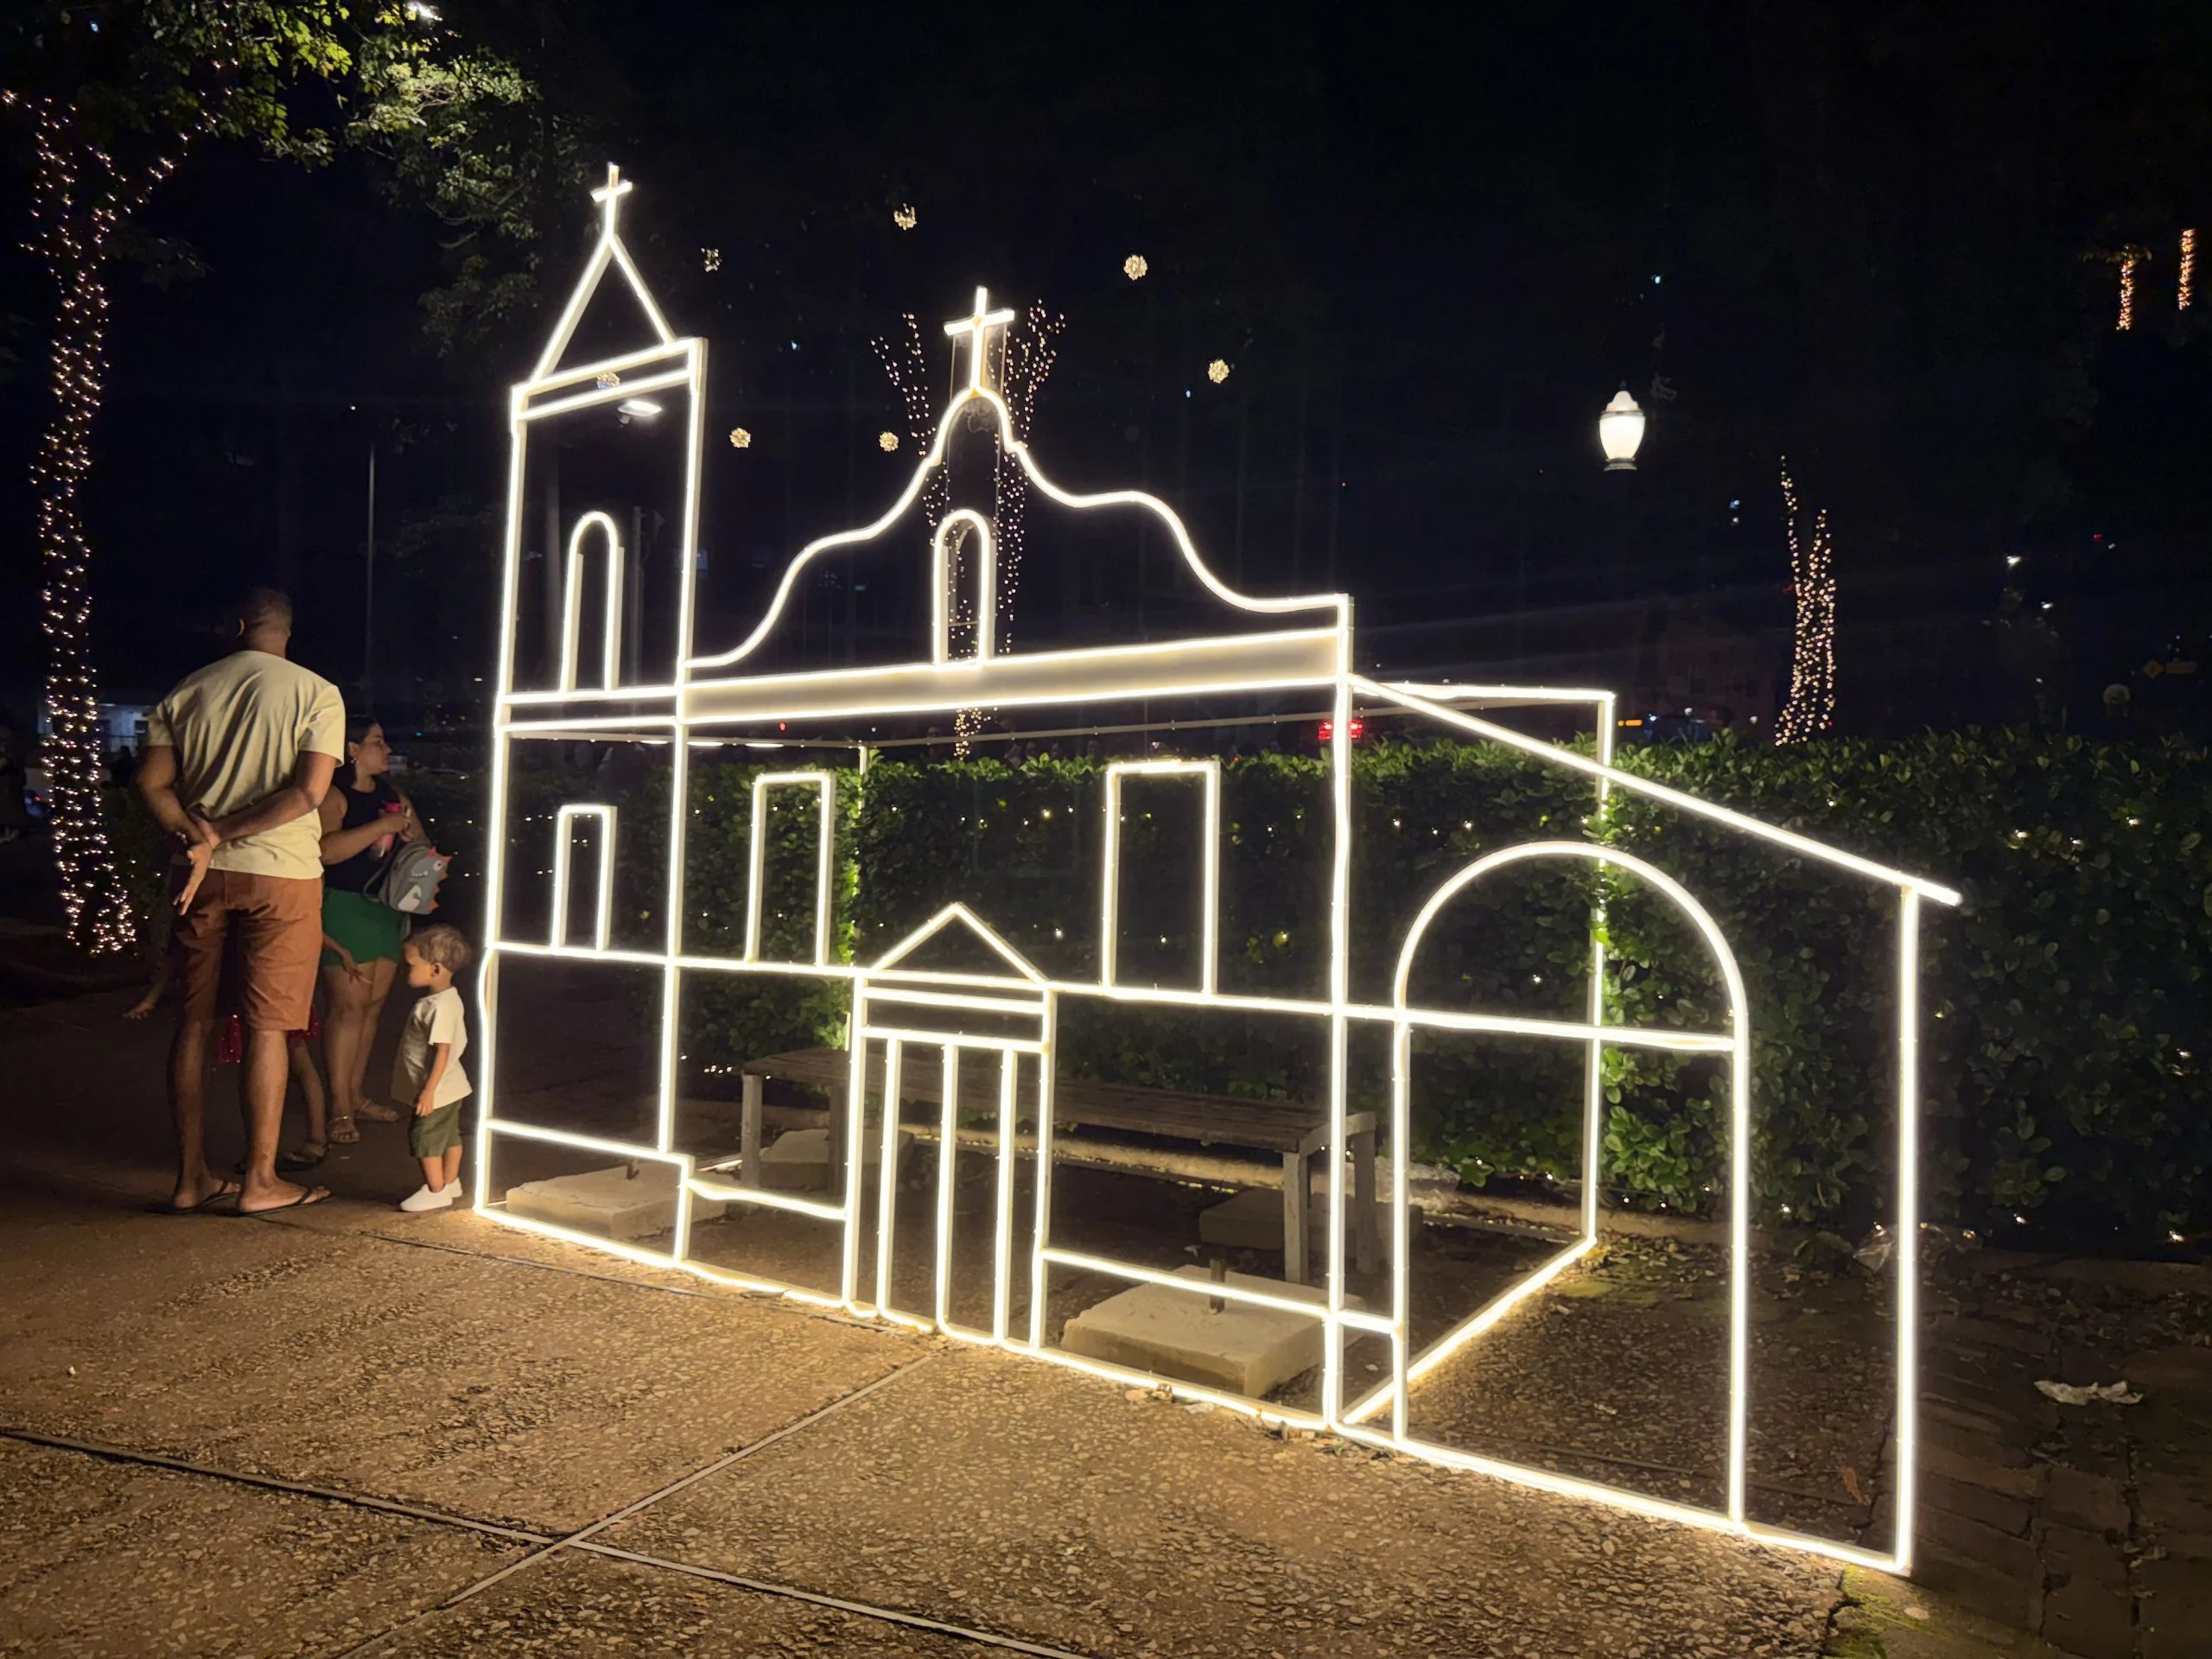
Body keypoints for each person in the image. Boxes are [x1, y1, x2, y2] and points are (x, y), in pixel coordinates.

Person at [137, 588, 342, 1214]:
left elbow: (152, 782)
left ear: (238, 624)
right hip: (281, 875)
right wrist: (226, 832)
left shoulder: (186, 690)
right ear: (287, 630)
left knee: (194, 1023)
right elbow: (309, 794)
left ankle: (190, 1177)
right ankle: (260, 1180)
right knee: (269, 1027)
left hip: (200, 878)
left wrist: (198, 836)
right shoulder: (316, 693)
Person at [314, 717, 425, 1148]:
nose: (386, 748)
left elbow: (419, 844)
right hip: (343, 907)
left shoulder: (393, 797)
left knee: (373, 1006)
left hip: (385, 909)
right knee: (347, 1008)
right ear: (353, 750)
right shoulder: (334, 796)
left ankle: (357, 1096)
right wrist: (379, 829)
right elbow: (323, 850)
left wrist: (414, 840)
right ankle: (338, 1107)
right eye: (377, 741)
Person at [390, 923, 473, 1213]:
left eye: (412, 965)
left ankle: (436, 1189)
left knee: (425, 1138)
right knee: (449, 1135)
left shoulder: (438, 1007)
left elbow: (442, 1051)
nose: (406, 970)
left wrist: (428, 1091)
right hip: (451, 1086)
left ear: (435, 969)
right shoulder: (445, 1000)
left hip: (437, 1090)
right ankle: (451, 1182)